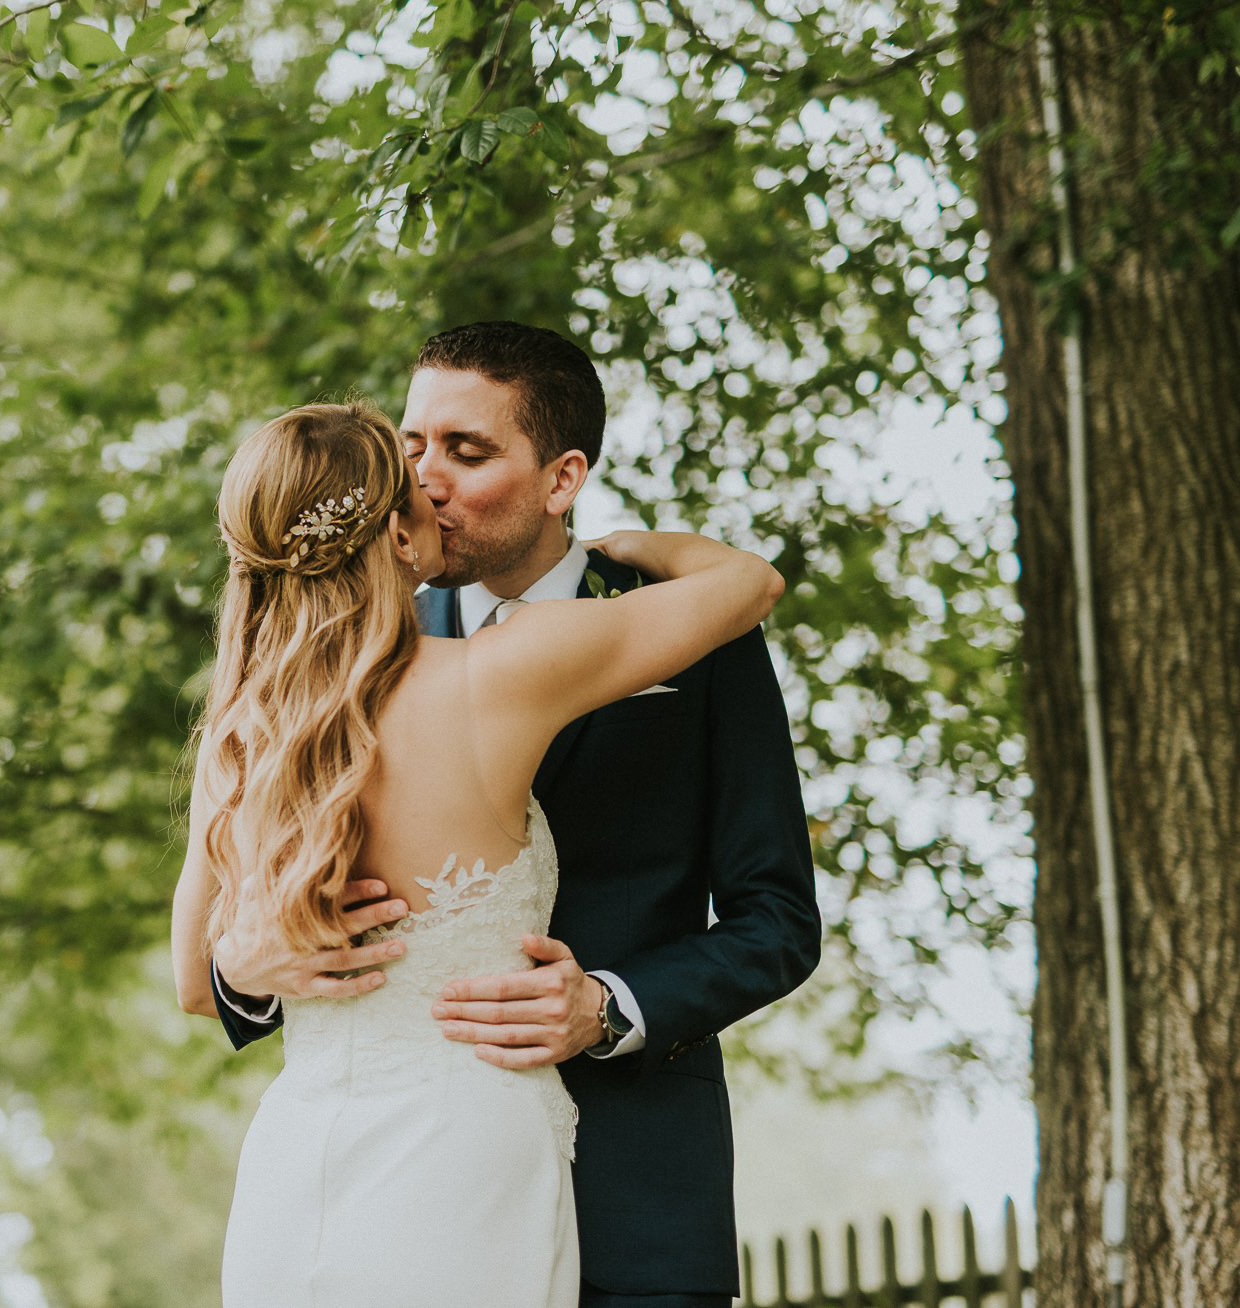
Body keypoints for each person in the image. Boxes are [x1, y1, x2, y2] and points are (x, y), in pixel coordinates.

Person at [203, 322, 823, 1307]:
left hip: (636, 1185)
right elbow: (230, 928)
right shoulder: (329, 664)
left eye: (467, 449)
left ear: (560, 477)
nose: (424, 477)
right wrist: (241, 972)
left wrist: (609, 1006)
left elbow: (778, 922)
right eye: (409, 445)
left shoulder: (692, 635)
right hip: (389, 1183)